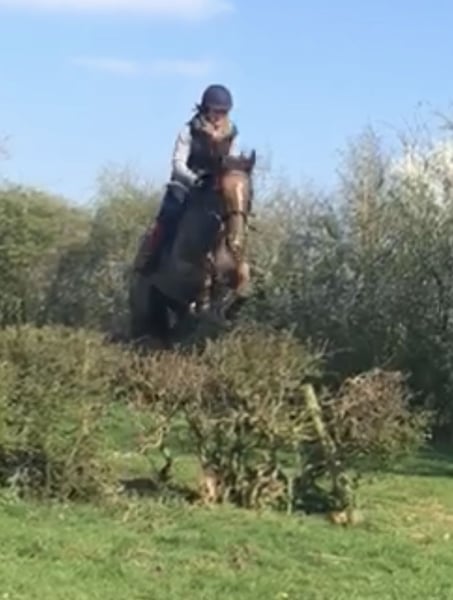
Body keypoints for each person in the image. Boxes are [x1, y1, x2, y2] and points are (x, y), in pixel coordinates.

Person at [133, 84, 240, 275]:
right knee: (168, 216)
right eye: (215, 111)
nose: (219, 116)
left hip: (214, 188)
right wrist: (194, 180)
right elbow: (177, 163)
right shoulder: (189, 131)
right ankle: (149, 257)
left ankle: (237, 262)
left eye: (223, 112)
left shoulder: (231, 135)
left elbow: (232, 163)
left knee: (236, 215)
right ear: (206, 109)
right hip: (186, 186)